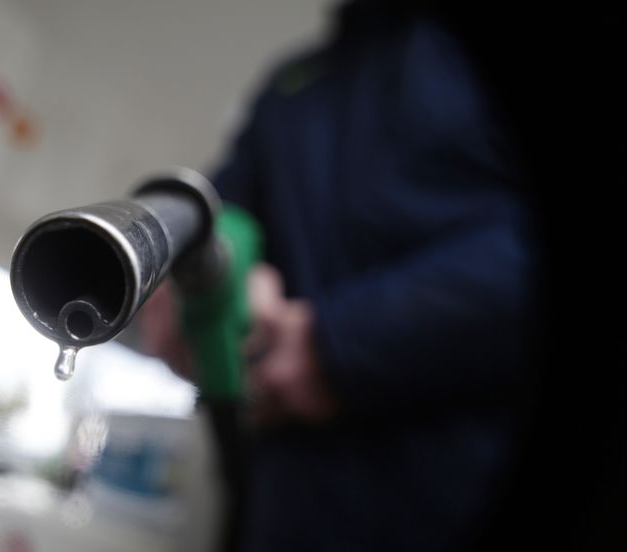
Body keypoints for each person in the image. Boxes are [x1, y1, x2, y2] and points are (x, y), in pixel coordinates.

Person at [140, 0, 622, 549]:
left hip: (450, 491)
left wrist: (333, 345)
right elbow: (220, 212)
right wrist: (184, 284)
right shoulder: (292, 86)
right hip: (286, 504)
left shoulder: (462, 65)